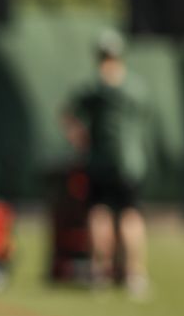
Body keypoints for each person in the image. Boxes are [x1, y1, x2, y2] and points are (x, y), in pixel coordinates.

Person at [62, 29, 155, 297]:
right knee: (130, 215)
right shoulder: (136, 87)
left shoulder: (93, 87)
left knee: (100, 213)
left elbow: (68, 116)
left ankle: (99, 271)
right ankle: (134, 274)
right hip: (131, 163)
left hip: (101, 162)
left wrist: (80, 138)